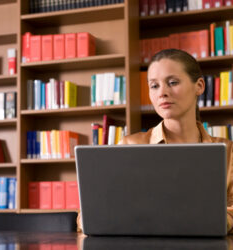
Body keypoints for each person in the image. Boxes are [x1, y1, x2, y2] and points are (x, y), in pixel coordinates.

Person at [77, 48, 233, 233]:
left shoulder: (227, 151)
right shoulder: (130, 146)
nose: (162, 93)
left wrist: (218, 221)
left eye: (172, 82)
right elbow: (87, 215)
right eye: (154, 86)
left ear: (199, 86)